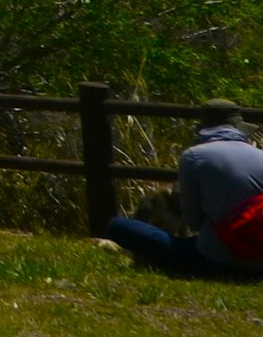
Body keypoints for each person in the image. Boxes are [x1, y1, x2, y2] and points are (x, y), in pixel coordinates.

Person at [102, 114, 263, 278]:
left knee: (117, 226)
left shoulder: (194, 156)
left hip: (217, 260)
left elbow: (193, 222)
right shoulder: (260, 155)